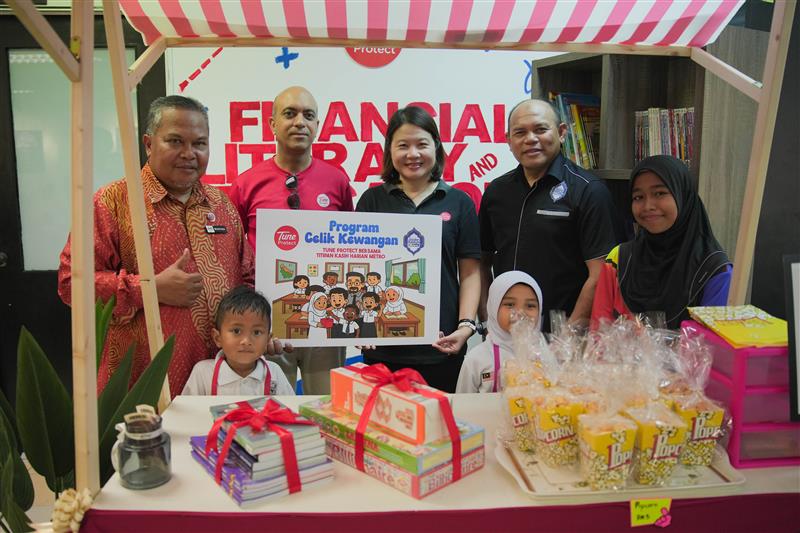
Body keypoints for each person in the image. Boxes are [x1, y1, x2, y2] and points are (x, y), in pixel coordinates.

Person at [58, 95, 266, 397]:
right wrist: (150, 289)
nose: (189, 153)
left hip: (222, 381)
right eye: (175, 141)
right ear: (148, 144)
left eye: (199, 143)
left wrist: (264, 329)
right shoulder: (113, 202)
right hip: (144, 383)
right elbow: (70, 283)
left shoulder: (221, 204)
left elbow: (247, 279)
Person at [229, 86, 353, 394]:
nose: (300, 122)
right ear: (271, 124)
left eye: (308, 115)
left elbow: (349, 246)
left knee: (327, 408)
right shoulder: (246, 183)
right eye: (289, 114)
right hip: (269, 325)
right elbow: (233, 253)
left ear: (318, 126)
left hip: (326, 320)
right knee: (272, 411)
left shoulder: (337, 181)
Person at [356, 106, 481, 393]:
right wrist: (362, 324)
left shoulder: (459, 202)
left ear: (436, 146)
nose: (413, 154)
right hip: (382, 350)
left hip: (442, 345)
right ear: (390, 151)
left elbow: (471, 273)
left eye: (422, 144)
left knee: (440, 430)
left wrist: (465, 327)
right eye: (403, 146)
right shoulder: (372, 200)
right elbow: (359, 270)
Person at [479, 99, 625, 332]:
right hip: (507, 335)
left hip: (561, 337)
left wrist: (567, 337)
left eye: (540, 129)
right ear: (508, 140)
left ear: (562, 133)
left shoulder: (589, 190)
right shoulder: (496, 192)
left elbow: (599, 275)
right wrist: (490, 321)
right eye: (520, 132)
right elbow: (481, 263)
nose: (530, 139)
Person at [591, 155, 732, 329]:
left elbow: (711, 347)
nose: (648, 206)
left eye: (660, 193)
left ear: (683, 195)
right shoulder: (619, 259)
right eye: (638, 197)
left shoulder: (714, 270)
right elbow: (598, 334)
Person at [182, 286, 294, 395]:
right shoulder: (202, 373)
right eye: (236, 331)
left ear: (267, 340)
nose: (246, 341)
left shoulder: (275, 372)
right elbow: (187, 413)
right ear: (217, 338)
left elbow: (289, 411)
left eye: (256, 332)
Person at [456, 271, 542, 393]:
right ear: (493, 307)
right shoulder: (476, 359)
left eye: (530, 305)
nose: (520, 313)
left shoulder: (545, 356)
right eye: (510, 304)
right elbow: (461, 406)